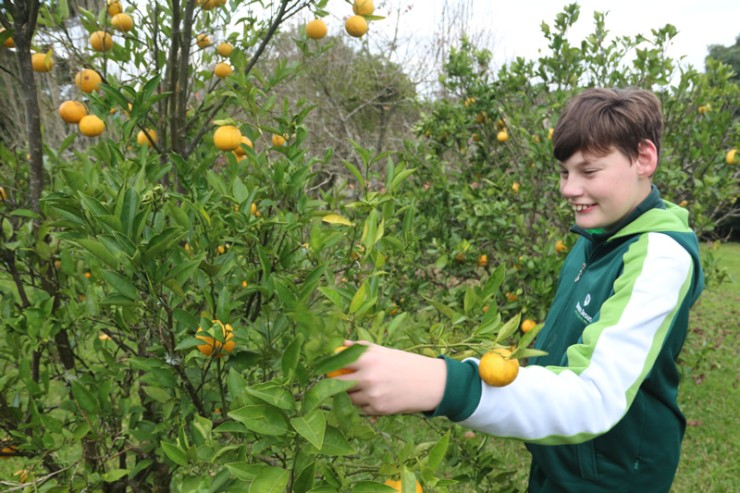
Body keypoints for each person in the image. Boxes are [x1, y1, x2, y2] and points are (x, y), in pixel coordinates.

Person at [336, 87, 705, 492]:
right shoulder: (596, 237)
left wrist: (443, 383)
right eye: (565, 172)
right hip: (563, 451)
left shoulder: (659, 257)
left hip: (613, 475)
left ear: (644, 159)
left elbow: (593, 396)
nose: (568, 189)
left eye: (588, 171)